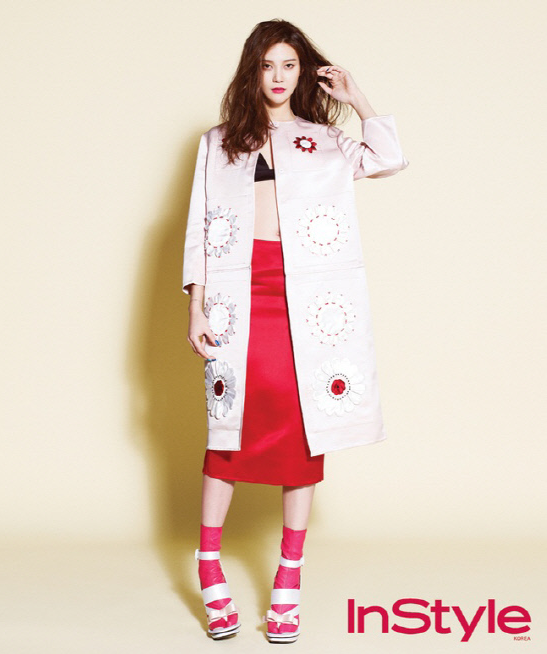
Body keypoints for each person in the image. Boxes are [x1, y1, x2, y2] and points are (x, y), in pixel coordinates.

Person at [183, 19, 409, 643]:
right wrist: (196, 307)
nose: (278, 77)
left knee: (306, 430)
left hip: (304, 298)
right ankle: (209, 563)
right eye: (267, 65)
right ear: (252, 72)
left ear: (303, 71)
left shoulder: (325, 140)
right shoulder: (219, 142)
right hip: (236, 295)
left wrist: (357, 98)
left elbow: (390, 159)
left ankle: (289, 578)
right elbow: (199, 225)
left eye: (289, 64)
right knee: (228, 426)